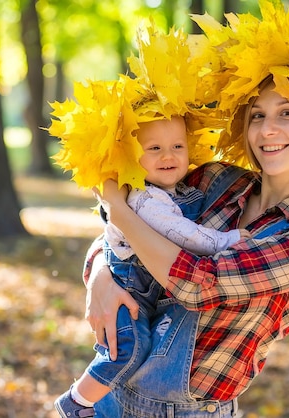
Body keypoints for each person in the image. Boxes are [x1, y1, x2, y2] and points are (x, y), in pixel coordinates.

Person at [82, 1, 289, 416]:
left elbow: (198, 285)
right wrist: (100, 274)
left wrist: (118, 211)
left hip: (190, 410)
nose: (267, 129)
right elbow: (122, 234)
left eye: (287, 113)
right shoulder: (215, 180)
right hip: (111, 392)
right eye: (257, 115)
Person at [53, 113, 250, 417]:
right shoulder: (145, 198)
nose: (168, 156)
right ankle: (77, 402)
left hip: (144, 290)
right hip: (132, 288)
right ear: (131, 156)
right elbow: (185, 235)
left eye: (177, 146)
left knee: (130, 347)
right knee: (126, 350)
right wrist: (230, 239)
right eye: (154, 149)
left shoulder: (175, 190)